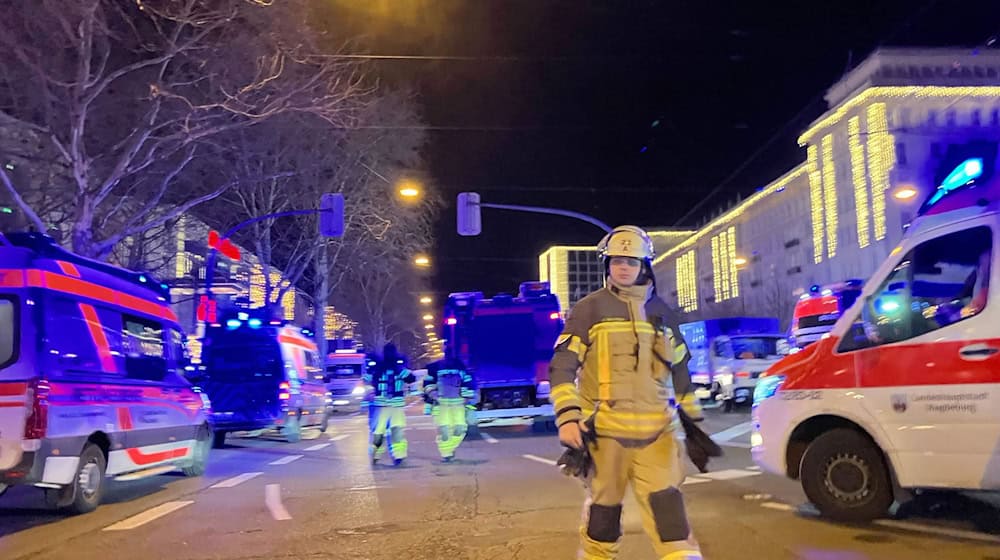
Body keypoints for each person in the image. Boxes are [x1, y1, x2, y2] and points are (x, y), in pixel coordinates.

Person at [549, 225, 704, 560]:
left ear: (644, 266)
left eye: (631, 261)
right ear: (607, 265)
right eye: (617, 260)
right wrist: (568, 418)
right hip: (606, 436)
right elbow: (562, 366)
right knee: (603, 521)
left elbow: (679, 370)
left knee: (672, 523)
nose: (623, 267)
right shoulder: (588, 310)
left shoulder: (663, 313)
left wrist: (693, 421)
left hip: (658, 436)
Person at [363, 343, 415, 466]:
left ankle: (380, 455)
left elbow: (367, 380)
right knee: (395, 432)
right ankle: (397, 457)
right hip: (393, 406)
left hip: (382, 406)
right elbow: (411, 378)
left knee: (380, 433)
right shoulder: (397, 368)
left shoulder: (378, 367)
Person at [423, 349, 475, 462]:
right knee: (444, 431)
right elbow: (428, 384)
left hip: (458, 404)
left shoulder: (461, 367)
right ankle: (446, 454)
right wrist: (434, 395)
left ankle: (449, 449)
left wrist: (466, 398)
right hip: (441, 405)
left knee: (460, 429)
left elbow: (468, 382)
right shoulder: (435, 368)